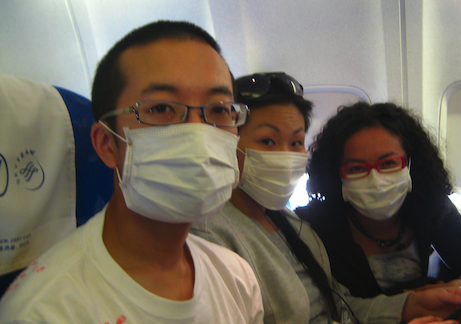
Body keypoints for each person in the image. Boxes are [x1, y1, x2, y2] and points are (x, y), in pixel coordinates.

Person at [0, 20, 264, 323]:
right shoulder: (45, 311)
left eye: (219, 110)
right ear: (107, 144)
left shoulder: (237, 277)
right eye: (161, 108)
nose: (198, 134)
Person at [191, 73, 461, 324]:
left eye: (295, 142)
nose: (285, 155)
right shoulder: (210, 235)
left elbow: (340, 307)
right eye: (268, 141)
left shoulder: (289, 223)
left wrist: (410, 306)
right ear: (228, 141)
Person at [295, 102, 461, 303]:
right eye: (356, 168)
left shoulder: (430, 206)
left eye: (388, 163)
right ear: (336, 175)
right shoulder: (314, 227)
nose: (376, 180)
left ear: (411, 164)